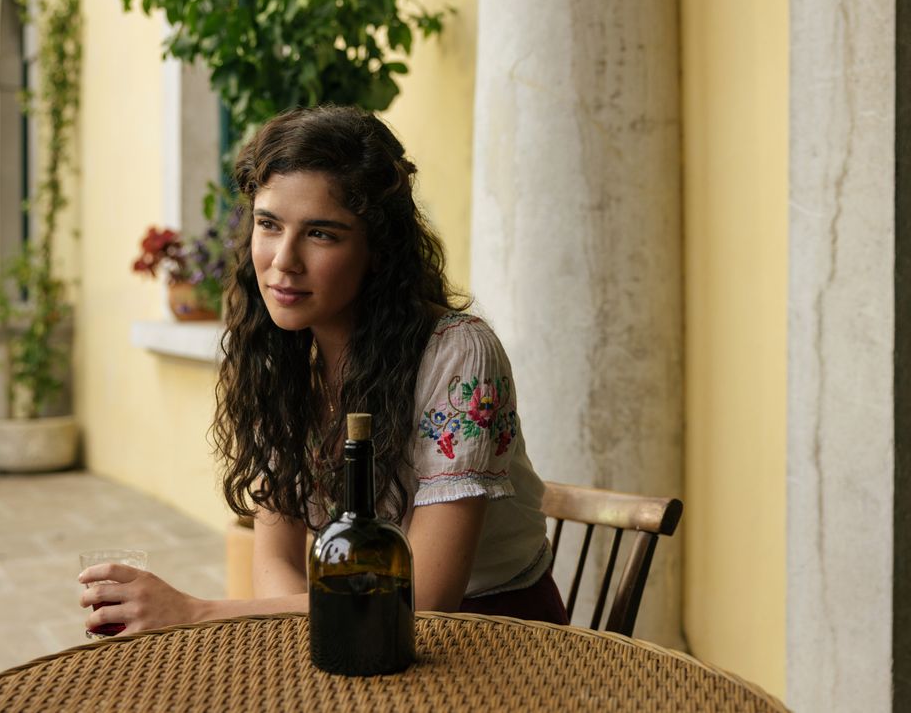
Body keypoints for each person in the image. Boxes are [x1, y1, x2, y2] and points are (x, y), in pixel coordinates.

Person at [79, 106, 569, 633]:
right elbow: (275, 562)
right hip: (349, 625)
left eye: (320, 234)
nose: (283, 260)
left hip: (492, 633)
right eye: (268, 225)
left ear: (377, 249)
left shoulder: (457, 354)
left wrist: (198, 613)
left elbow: (426, 596)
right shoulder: (279, 355)